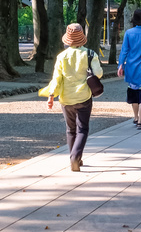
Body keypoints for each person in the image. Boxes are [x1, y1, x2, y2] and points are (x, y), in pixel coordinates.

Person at [40, 23, 104, 171]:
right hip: (83, 97)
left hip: (66, 98)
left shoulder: (61, 56)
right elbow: (98, 73)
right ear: (82, 37)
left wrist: (51, 95)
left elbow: (56, 78)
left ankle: (73, 157)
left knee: (71, 130)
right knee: (82, 129)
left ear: (67, 40)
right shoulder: (89, 54)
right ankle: (76, 157)